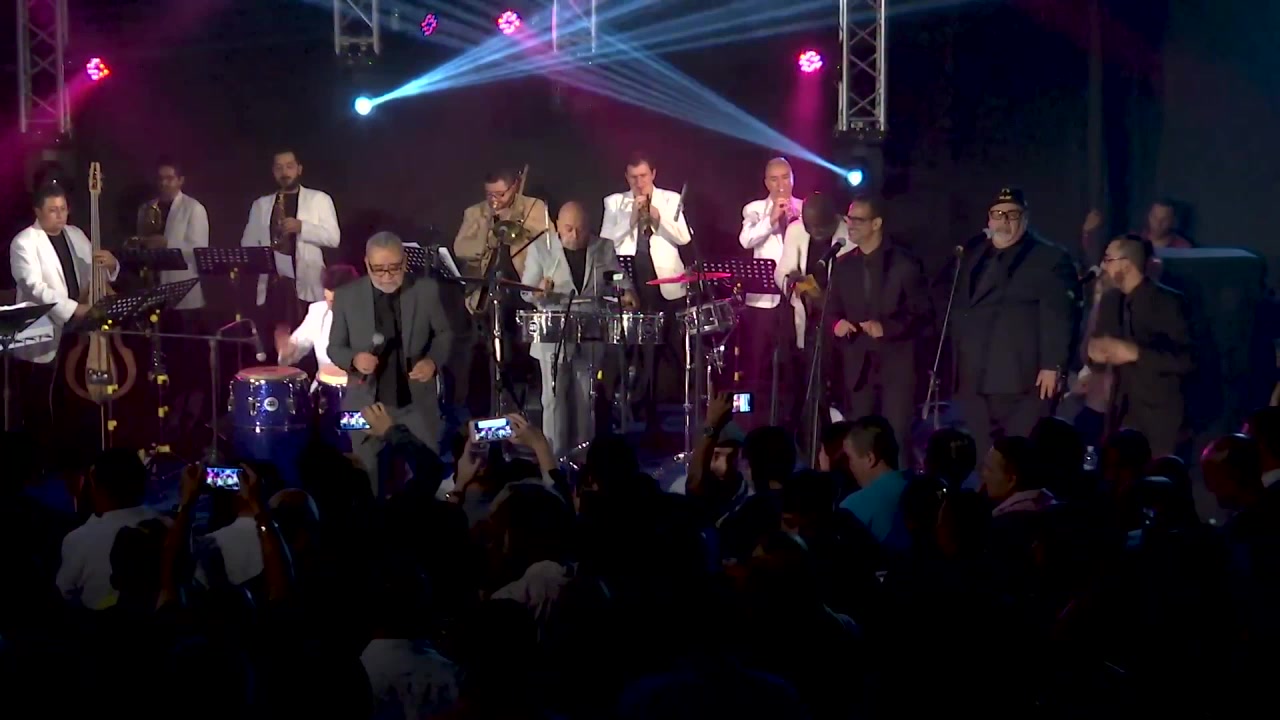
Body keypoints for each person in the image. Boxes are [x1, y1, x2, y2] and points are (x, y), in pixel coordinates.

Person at [950, 187, 1078, 455]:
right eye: (998, 214)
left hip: (1021, 378)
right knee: (983, 456)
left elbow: (1059, 315)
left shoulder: (1049, 258)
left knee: (1018, 454)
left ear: (1025, 218)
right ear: (989, 219)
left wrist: (1053, 364)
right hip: (975, 375)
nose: (1004, 220)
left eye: (1012, 214)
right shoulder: (974, 256)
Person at [328, 234, 456, 496]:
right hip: (365, 405)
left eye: (394, 268)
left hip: (415, 404)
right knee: (366, 484)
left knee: (426, 477)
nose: (387, 276)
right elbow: (335, 347)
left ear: (405, 262)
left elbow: (444, 334)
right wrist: (354, 359)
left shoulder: (425, 291)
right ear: (366, 263)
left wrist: (432, 361)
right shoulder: (346, 297)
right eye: (379, 269)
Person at [9, 184, 119, 462]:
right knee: (40, 402)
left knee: (71, 399)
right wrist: (75, 309)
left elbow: (95, 273)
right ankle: (40, 461)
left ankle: (73, 455)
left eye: (63, 209)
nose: (60, 215)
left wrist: (111, 265)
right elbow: (35, 288)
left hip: (77, 332)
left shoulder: (76, 234)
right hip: (43, 330)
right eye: (52, 210)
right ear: (37, 211)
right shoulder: (24, 242)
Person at [520, 201, 636, 455]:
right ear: (557, 226)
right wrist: (539, 290)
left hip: (590, 331)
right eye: (569, 229)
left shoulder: (603, 247)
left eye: (581, 229)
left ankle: (584, 457)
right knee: (553, 399)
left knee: (586, 399)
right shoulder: (541, 248)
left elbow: (618, 279)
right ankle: (554, 458)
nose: (574, 235)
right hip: (553, 332)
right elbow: (526, 291)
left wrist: (627, 293)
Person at [829, 195, 932, 468]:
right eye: (849, 219)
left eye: (858, 220)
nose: (850, 225)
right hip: (859, 366)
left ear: (876, 224)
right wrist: (836, 324)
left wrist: (886, 328)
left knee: (896, 438)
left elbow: (922, 313)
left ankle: (899, 489)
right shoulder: (843, 264)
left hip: (896, 366)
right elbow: (831, 309)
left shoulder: (904, 263)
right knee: (860, 438)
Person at [599, 153, 692, 432]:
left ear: (653, 174)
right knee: (627, 347)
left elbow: (684, 237)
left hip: (663, 282)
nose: (639, 182)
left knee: (659, 349)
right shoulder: (615, 202)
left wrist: (658, 218)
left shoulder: (670, 199)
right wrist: (630, 219)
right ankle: (621, 407)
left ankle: (653, 410)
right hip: (630, 280)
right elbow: (606, 240)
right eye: (633, 177)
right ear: (626, 177)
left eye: (643, 176)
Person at [452, 168, 550, 418]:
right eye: (489, 194)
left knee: (521, 351)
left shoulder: (533, 207)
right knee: (482, 349)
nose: (494, 199)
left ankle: (522, 407)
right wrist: (487, 235)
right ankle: (485, 409)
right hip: (486, 291)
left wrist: (516, 224)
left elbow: (547, 241)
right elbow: (461, 248)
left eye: (500, 194)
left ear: (514, 187)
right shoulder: (475, 213)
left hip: (522, 289)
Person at [1089, 234, 1192, 457]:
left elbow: (1187, 360)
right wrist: (1095, 352)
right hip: (1120, 412)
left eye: (1108, 259)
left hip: (1159, 417)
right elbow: (1097, 350)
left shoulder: (1169, 302)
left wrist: (1136, 353)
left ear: (1126, 265)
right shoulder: (1110, 301)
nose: (1103, 266)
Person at [775, 193, 853, 448]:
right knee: (810, 385)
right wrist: (803, 287)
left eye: (821, 227)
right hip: (809, 322)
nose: (817, 233)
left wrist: (823, 298)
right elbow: (784, 271)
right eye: (812, 228)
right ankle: (813, 445)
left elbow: (850, 284)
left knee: (836, 387)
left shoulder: (848, 233)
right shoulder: (795, 231)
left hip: (841, 320)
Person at [240, 148, 340, 329]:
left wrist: (302, 227)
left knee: (306, 339)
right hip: (273, 286)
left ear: (299, 169)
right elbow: (247, 244)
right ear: (273, 171)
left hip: (307, 284)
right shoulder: (261, 204)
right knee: (275, 339)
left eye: (289, 166)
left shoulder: (319, 199)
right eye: (279, 168)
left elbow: (334, 238)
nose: (284, 172)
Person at [737, 158, 803, 404]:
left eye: (785, 177)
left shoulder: (804, 207)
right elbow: (746, 240)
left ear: (793, 179)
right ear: (766, 183)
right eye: (774, 179)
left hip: (796, 298)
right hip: (763, 301)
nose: (781, 185)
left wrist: (796, 220)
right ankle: (754, 414)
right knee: (758, 363)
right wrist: (771, 219)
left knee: (793, 363)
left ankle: (792, 412)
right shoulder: (754, 209)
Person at [275, 263, 361, 374]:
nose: (331, 307)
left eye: (337, 301)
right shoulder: (318, 311)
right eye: (328, 300)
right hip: (323, 383)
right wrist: (288, 349)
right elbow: (297, 345)